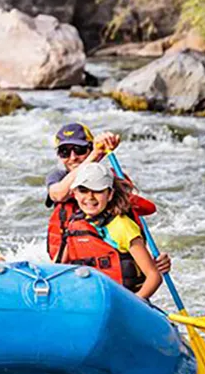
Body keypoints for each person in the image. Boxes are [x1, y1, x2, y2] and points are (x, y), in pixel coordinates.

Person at [44, 122, 171, 274]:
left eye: (79, 150)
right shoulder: (58, 177)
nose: (73, 157)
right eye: (64, 152)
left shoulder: (111, 179)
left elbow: (132, 227)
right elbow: (59, 194)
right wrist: (96, 154)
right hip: (77, 271)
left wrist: (153, 261)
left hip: (114, 271)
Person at [52, 163, 166, 300]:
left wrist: (133, 303)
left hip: (124, 301)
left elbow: (154, 276)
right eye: (83, 190)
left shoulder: (122, 226)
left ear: (110, 194)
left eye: (98, 190)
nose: (90, 197)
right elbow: (56, 269)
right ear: (74, 193)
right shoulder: (73, 225)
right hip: (89, 300)